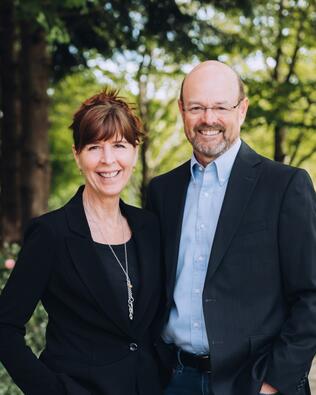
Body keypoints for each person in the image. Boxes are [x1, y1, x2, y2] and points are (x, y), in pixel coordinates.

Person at [146, 60, 316, 395]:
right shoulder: (162, 191)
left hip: (254, 381)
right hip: (176, 380)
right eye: (196, 107)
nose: (208, 118)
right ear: (181, 110)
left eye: (221, 106)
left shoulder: (285, 186)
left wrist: (273, 383)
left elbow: (311, 295)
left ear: (242, 110)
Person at [0, 89, 163, 395]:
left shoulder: (150, 227)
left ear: (135, 152)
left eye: (119, 145)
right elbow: (4, 328)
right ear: (77, 155)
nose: (108, 160)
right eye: (94, 147)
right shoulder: (51, 234)